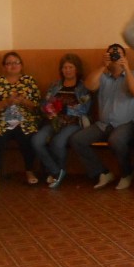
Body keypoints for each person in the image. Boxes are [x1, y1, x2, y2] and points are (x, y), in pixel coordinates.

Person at [69, 43, 134, 190]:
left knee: (116, 140)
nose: (115, 57)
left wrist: (126, 68)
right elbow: (89, 86)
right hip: (103, 124)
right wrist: (102, 66)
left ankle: (126, 174)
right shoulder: (102, 76)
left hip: (127, 124)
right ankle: (102, 172)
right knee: (77, 140)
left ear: (125, 57)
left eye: (118, 54)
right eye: (111, 54)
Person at [0, 51, 41, 191]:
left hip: (24, 121)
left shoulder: (29, 81)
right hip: (2, 121)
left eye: (16, 63)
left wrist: (23, 101)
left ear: (21, 65)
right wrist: (6, 102)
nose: (13, 66)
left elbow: (37, 105)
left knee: (29, 137)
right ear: (3, 66)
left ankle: (29, 171)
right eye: (9, 63)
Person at [30, 54, 91, 189]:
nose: (67, 70)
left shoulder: (83, 87)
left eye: (70, 67)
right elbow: (45, 102)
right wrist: (47, 109)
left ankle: (57, 174)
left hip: (74, 122)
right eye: (64, 67)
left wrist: (64, 109)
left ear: (77, 69)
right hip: (54, 121)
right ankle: (56, 171)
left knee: (57, 142)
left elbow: (84, 109)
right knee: (37, 141)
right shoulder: (55, 85)